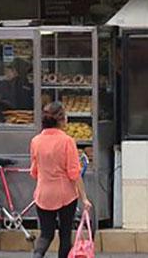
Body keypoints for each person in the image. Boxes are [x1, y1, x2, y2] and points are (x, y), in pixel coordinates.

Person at [30, 101, 91, 258]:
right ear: (62, 120)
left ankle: (36, 255)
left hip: (43, 194)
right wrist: (84, 198)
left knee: (46, 234)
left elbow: (34, 172)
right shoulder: (67, 141)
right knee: (65, 235)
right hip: (65, 195)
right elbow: (74, 173)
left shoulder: (36, 141)